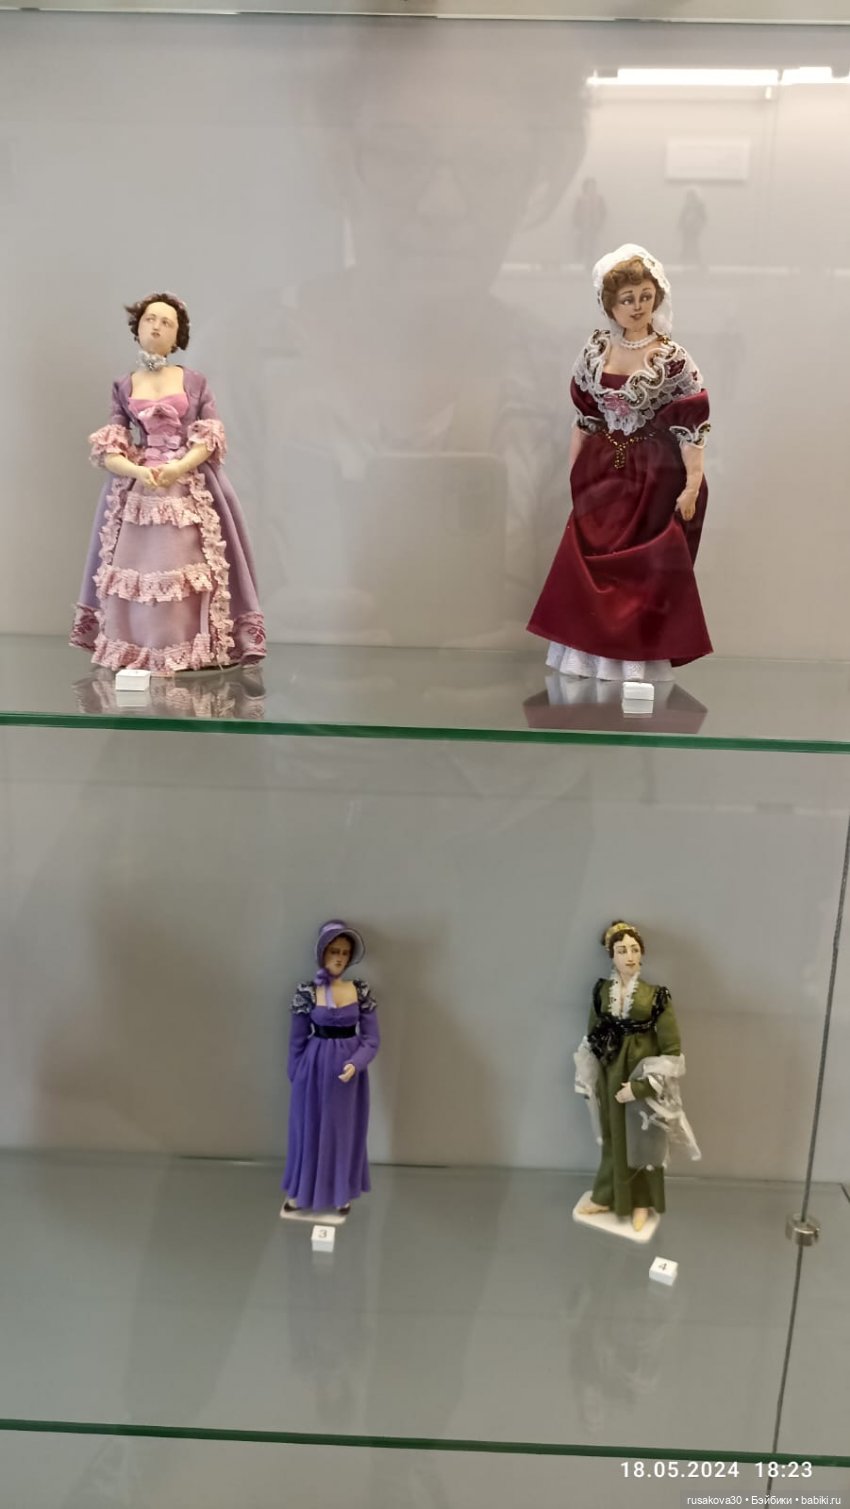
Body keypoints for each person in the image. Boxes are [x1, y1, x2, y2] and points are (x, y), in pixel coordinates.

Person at [527, 244, 712, 681]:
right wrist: (576, 477)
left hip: (652, 475)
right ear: (609, 303)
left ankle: (634, 660)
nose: (637, 306)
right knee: (588, 558)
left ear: (657, 297)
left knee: (642, 567)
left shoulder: (672, 359)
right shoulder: (595, 352)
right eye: (627, 298)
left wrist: (691, 484)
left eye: (645, 296)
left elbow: (693, 427)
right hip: (600, 472)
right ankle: (588, 655)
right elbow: (585, 419)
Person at [70, 292, 265, 675]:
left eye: (166, 322)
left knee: (187, 561)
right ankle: (141, 646)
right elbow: (111, 444)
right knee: (138, 565)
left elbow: (210, 435)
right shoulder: (124, 384)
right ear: (137, 327)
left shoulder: (194, 381)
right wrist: (136, 470)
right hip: (141, 489)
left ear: (178, 336)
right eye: (149, 319)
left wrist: (180, 467)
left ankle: (190, 645)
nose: (156, 327)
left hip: (188, 484)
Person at [574, 921, 700, 1232]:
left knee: (644, 1141)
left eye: (634, 949)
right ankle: (607, 1196)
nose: (629, 956)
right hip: (609, 1075)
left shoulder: (656, 996)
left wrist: (642, 1086)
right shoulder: (601, 992)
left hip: (639, 1078)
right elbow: (592, 1035)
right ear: (612, 956)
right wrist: (588, 1075)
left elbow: (672, 1051)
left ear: (642, 953)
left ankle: (642, 1201)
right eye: (621, 950)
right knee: (613, 1137)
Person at [282, 920, 379, 1216]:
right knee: (307, 1128)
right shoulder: (308, 991)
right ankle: (300, 1192)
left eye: (345, 953)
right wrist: (296, 1074)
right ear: (322, 952)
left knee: (343, 1131)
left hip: (348, 1076)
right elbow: (296, 1040)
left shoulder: (359, 990)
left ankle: (340, 1192)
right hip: (312, 1070)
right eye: (334, 951)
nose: (339, 958)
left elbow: (372, 1039)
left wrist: (356, 1063)